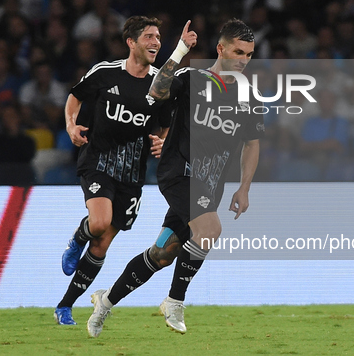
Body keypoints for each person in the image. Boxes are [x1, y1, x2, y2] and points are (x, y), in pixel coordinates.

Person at [86, 19, 263, 337]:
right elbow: (157, 90)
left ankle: (105, 303)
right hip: (178, 173)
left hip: (210, 186)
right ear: (220, 49)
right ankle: (175, 301)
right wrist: (181, 49)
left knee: (163, 253)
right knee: (210, 230)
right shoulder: (191, 78)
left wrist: (245, 188)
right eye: (238, 52)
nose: (243, 60)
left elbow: (251, 143)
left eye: (249, 55)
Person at [54, 16, 172, 325]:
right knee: (99, 222)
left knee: (103, 243)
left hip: (132, 174)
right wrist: (70, 125)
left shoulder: (161, 83)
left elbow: (167, 122)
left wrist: (162, 141)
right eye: (149, 36)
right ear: (131, 43)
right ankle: (77, 238)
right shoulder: (106, 73)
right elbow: (75, 97)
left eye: (158, 37)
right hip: (99, 162)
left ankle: (65, 305)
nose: (156, 42)